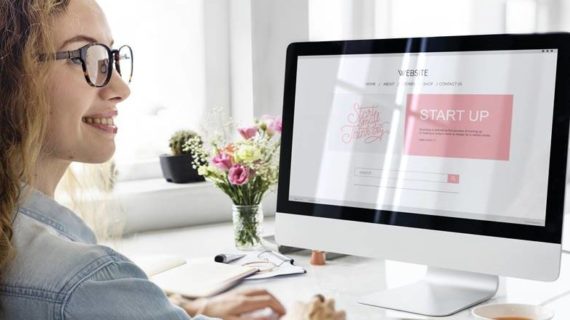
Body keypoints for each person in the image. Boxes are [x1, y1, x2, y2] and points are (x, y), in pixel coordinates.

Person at [0, 0, 286, 319]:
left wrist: (192, 308)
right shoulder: (82, 280)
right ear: (13, 80)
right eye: (88, 57)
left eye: (111, 58)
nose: (121, 89)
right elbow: (81, 292)